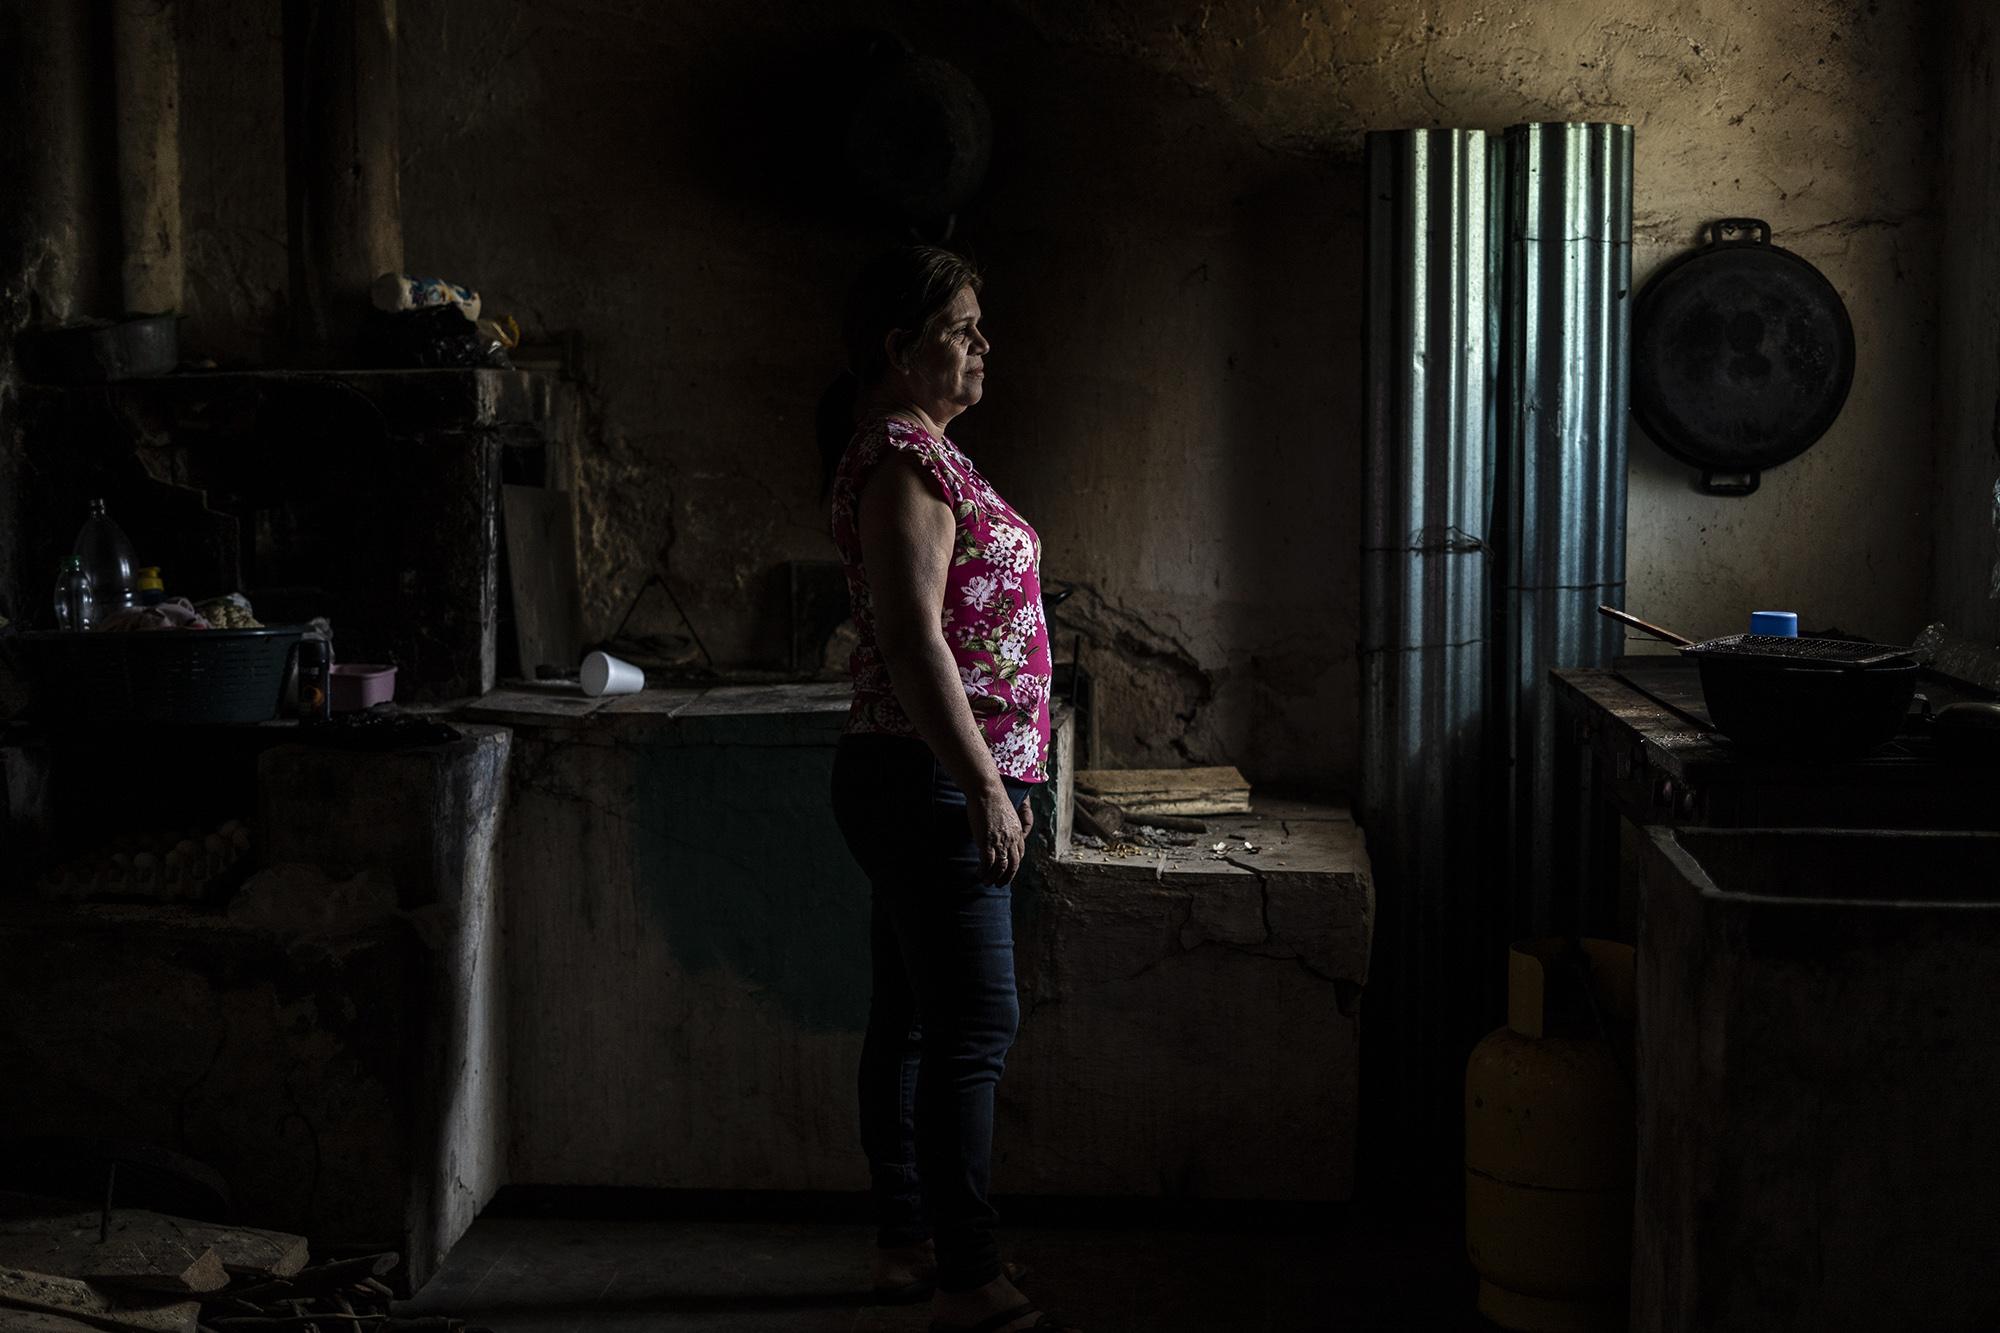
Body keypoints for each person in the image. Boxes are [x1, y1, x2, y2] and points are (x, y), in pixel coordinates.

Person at [823, 245, 1076, 1333]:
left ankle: (904, 1241)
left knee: (916, 1019)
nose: (982, 345)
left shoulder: (923, 453)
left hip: (912, 774)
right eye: (961, 328)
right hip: (930, 778)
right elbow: (913, 638)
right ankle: (968, 1273)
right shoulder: (902, 460)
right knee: (974, 1021)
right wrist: (983, 783)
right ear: (896, 348)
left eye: (981, 327)